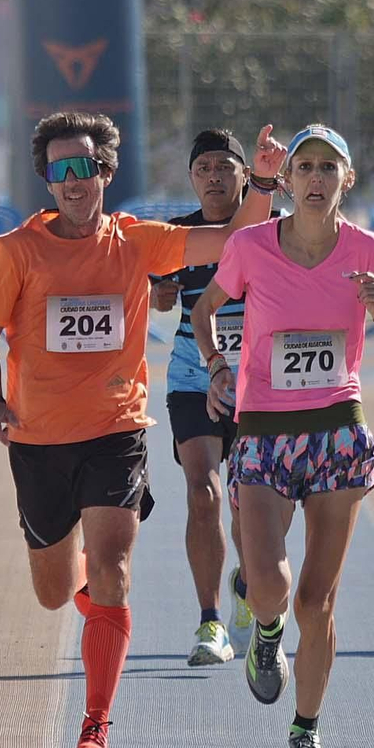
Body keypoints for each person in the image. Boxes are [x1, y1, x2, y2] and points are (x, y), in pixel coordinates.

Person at [0, 112, 278, 748]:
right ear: (47, 180)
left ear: (106, 172)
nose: (73, 180)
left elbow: (236, 237)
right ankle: (80, 585)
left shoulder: (137, 243)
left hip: (116, 430)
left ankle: (96, 727)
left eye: (85, 167)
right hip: (39, 440)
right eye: (60, 170)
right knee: (55, 592)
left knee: (112, 570)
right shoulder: (16, 251)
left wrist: (265, 180)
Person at [192, 123, 374, 748]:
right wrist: (216, 367)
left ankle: (306, 731)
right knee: (269, 585)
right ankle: (265, 634)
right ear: (287, 180)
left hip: (337, 433)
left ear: (347, 179)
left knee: (316, 601)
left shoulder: (367, 249)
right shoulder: (251, 246)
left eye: (328, 167)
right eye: (305, 167)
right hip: (263, 430)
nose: (316, 178)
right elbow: (205, 309)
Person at [149, 129, 269, 667]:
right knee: (204, 491)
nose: (214, 177)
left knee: (247, 503)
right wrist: (159, 293)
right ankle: (210, 621)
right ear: (192, 179)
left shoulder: (269, 228)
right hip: (194, 376)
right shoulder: (177, 235)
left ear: (244, 175)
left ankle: (247, 584)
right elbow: (156, 297)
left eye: (225, 166)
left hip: (258, 381)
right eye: (203, 169)